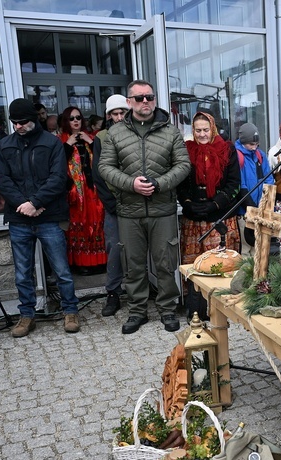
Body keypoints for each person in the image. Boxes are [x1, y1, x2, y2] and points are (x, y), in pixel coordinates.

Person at [98, 80, 190, 335]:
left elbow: (183, 165)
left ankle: (167, 309)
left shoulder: (170, 131)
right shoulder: (116, 133)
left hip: (162, 210)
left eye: (149, 97)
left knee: (164, 262)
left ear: (155, 99)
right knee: (133, 264)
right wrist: (131, 184)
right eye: (138, 98)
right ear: (129, 102)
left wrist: (159, 184)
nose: (144, 102)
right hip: (129, 210)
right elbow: (105, 167)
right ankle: (137, 311)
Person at [0, 98, 81, 337]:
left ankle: (70, 311)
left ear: (33, 120)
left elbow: (58, 179)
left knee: (61, 269)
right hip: (20, 217)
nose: (19, 126)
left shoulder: (52, 143)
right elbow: (3, 180)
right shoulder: (3, 145)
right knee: (22, 272)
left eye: (23, 122)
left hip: (48, 216)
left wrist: (35, 203)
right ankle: (27, 315)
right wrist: (25, 205)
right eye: (15, 122)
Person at [178, 111, 241, 319]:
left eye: (206, 130)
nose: (202, 134)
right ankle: (196, 309)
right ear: (193, 131)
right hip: (193, 218)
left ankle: (219, 308)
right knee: (194, 264)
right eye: (198, 130)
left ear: (213, 129)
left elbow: (234, 184)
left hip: (219, 217)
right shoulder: (186, 150)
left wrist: (215, 204)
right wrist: (187, 204)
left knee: (218, 265)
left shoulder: (227, 150)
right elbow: (181, 182)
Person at [91, 94, 128, 317]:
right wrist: (111, 204)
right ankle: (113, 292)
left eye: (122, 112)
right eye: (115, 113)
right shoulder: (101, 137)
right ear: (109, 116)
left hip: (137, 201)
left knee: (138, 249)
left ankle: (138, 292)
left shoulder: (137, 134)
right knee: (114, 248)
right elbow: (98, 174)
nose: (119, 117)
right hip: (114, 203)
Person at [59, 106, 106, 273]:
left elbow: (104, 160)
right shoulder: (60, 140)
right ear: (66, 121)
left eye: (78, 117)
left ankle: (99, 263)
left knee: (97, 224)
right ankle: (81, 264)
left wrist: (91, 142)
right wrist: (67, 145)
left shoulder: (92, 138)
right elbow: (57, 165)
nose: (75, 121)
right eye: (71, 118)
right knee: (78, 226)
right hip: (74, 194)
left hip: (94, 192)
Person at [234, 122, 273, 257]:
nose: (254, 147)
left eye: (256, 144)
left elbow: (268, 178)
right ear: (243, 141)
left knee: (259, 248)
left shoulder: (260, 155)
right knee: (246, 248)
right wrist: (250, 208)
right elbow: (241, 185)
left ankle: (258, 276)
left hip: (259, 209)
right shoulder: (237, 157)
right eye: (251, 144)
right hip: (245, 211)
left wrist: (264, 203)